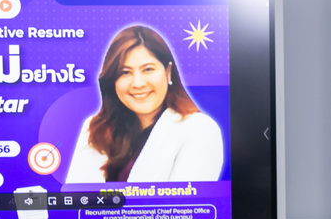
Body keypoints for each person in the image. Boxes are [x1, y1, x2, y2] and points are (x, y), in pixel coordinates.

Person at [65, 25, 223, 183]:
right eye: (125, 72)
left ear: (168, 72)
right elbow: (75, 193)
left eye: (148, 69)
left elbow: (188, 198)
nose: (138, 83)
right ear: (112, 80)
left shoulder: (199, 129)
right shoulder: (95, 128)